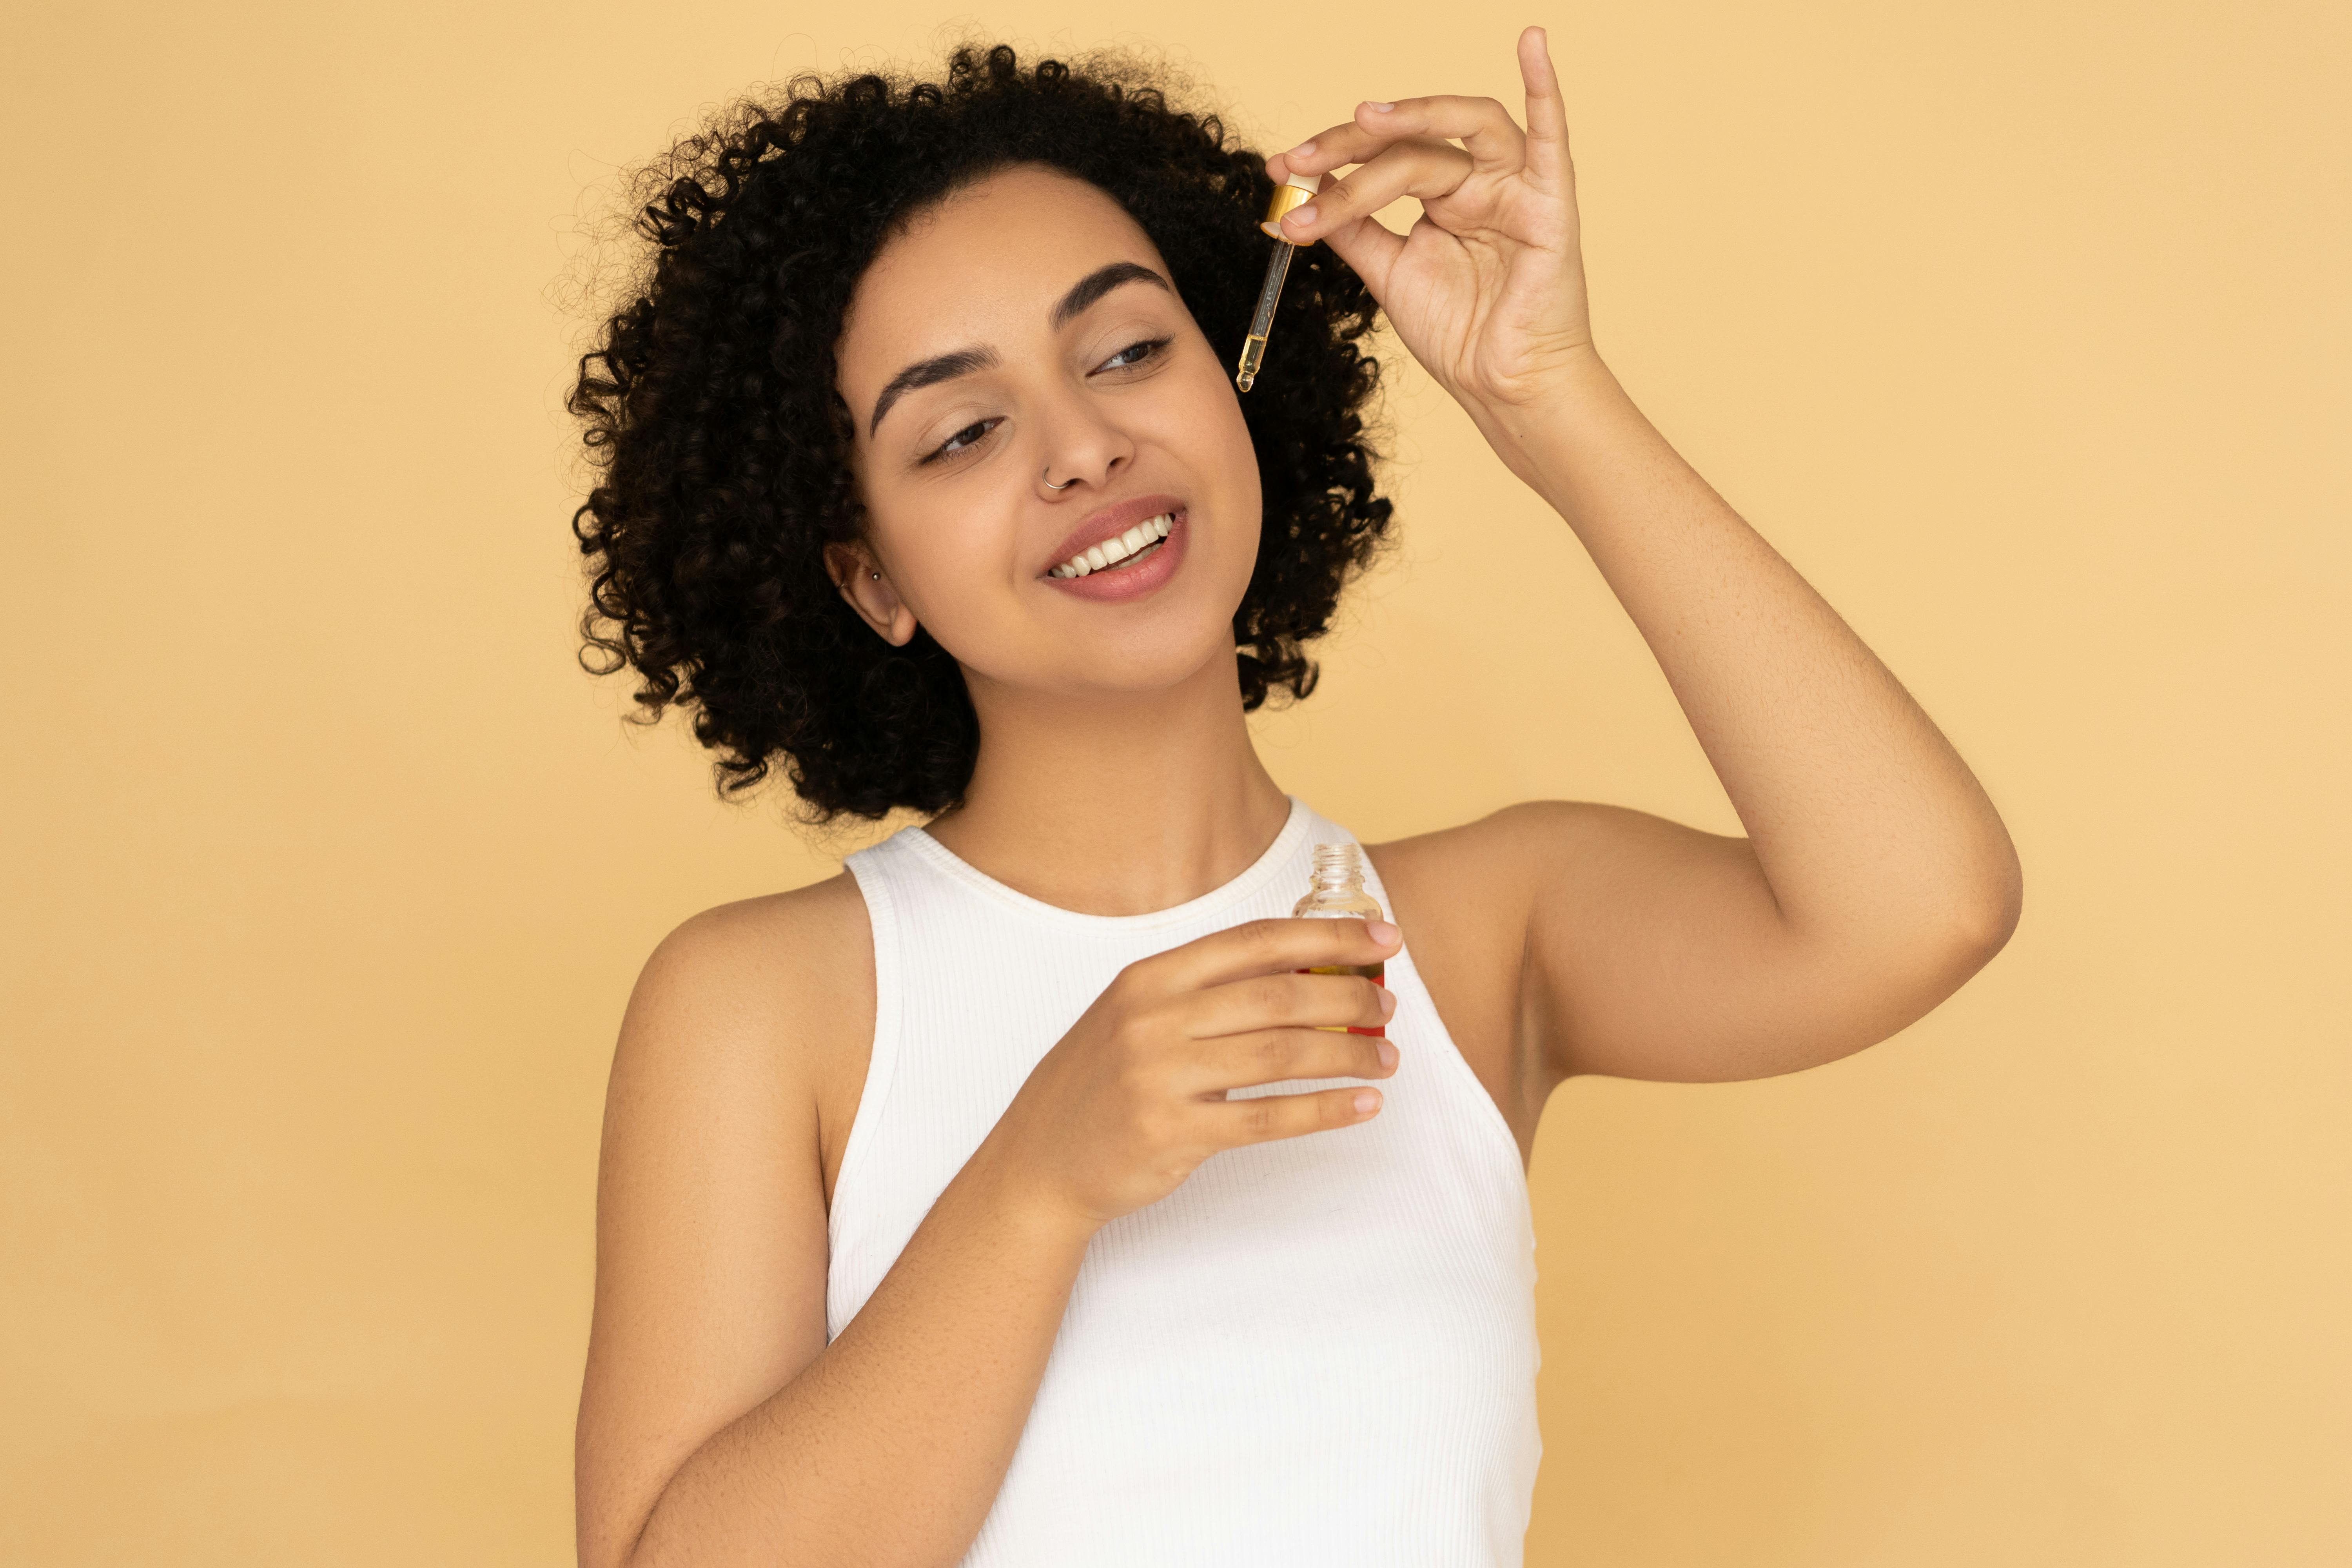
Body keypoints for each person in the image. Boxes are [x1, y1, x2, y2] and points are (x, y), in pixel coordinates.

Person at [563, 28, 2022, 1568]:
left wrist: (1546, 395)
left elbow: (1925, 903)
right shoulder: (761, 1004)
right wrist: (1038, 1180)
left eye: (1128, 349)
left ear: (1236, 377)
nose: (1087, 446)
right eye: (964, 430)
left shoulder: (1474, 934)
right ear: (870, 578)